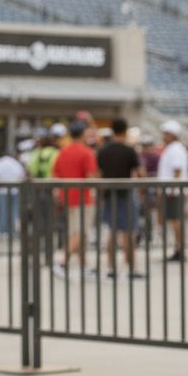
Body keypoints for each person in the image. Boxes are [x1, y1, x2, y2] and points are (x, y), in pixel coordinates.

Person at [96, 118, 143, 278]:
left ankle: (110, 267)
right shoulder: (129, 150)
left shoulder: (103, 150)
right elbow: (140, 172)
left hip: (109, 194)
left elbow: (99, 174)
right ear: (125, 130)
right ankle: (131, 268)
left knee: (112, 231)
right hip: (126, 193)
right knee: (129, 232)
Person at [52, 119, 98, 277]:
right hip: (83, 198)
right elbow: (91, 177)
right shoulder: (87, 152)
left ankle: (85, 266)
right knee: (80, 233)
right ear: (84, 133)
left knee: (78, 234)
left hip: (68, 198)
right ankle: (62, 262)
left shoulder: (63, 151)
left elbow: (56, 174)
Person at [157, 120, 188, 261]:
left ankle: (180, 249)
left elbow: (177, 171)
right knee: (174, 221)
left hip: (173, 192)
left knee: (176, 220)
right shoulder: (172, 148)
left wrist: (170, 190)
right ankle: (178, 248)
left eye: (166, 134)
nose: (163, 136)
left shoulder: (176, 149)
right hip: (171, 190)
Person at [0, 148, 26, 235]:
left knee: (3, 211)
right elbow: (21, 175)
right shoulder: (15, 163)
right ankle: (12, 230)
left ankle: (2, 230)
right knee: (13, 211)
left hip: (2, 191)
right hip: (15, 191)